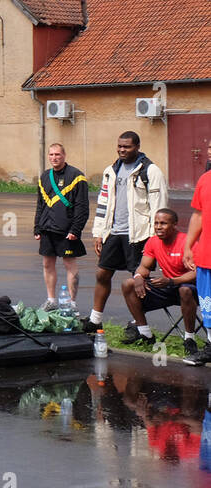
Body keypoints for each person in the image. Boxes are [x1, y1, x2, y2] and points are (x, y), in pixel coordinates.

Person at [86, 132, 168, 331]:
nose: (122, 150)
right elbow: (103, 203)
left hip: (139, 235)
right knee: (102, 274)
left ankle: (138, 324)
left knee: (137, 281)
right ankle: (94, 320)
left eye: (127, 147)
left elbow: (159, 207)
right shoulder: (111, 170)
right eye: (120, 146)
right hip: (114, 233)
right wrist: (99, 232)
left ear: (137, 147)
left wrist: (154, 239)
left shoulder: (151, 171)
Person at [119, 208, 197, 352]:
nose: (158, 227)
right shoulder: (153, 242)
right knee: (128, 284)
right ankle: (145, 333)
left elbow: (197, 273)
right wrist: (138, 277)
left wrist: (172, 281)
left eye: (163, 223)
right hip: (167, 286)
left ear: (174, 225)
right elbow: (144, 266)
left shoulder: (187, 242)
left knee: (185, 289)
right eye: (156, 223)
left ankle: (189, 339)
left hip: (190, 288)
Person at [34, 143, 90, 311]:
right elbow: (40, 205)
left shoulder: (77, 176)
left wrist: (75, 229)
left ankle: (71, 304)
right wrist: (37, 227)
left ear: (64, 155)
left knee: (69, 265)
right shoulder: (44, 176)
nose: (54, 158)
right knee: (47, 264)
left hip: (67, 231)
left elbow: (82, 207)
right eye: (51, 155)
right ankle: (51, 300)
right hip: (47, 229)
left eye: (57, 154)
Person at [183, 168, 211, 366]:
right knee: (208, 304)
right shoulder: (205, 179)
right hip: (207, 256)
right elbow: (198, 215)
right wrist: (188, 246)